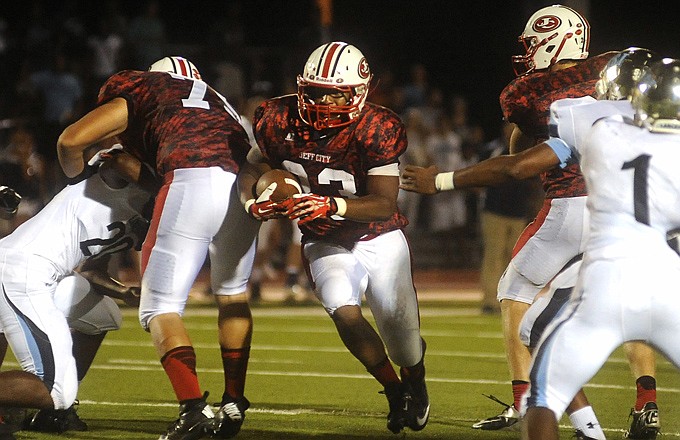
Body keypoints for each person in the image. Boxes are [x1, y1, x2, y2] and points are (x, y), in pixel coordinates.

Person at [402, 46, 662, 439]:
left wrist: (441, 181)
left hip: (579, 211)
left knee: (528, 313)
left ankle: (564, 418)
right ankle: (648, 402)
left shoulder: (583, 117)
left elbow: (517, 165)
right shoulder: (660, 122)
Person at [56, 56, 261, 440]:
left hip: (189, 181)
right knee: (233, 295)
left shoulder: (148, 87)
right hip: (241, 187)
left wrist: (76, 182)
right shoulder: (220, 101)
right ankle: (233, 401)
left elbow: (70, 140)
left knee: (160, 307)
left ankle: (192, 409)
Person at [238, 41, 429, 434]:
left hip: (377, 234)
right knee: (342, 308)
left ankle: (415, 377)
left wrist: (331, 205)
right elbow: (251, 168)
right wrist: (251, 201)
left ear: (359, 92)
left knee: (403, 340)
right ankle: (394, 392)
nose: (323, 100)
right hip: (324, 237)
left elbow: (382, 203)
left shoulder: (377, 126)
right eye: (316, 90)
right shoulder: (277, 117)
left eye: (334, 93)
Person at [522, 57, 680, 440]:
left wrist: (444, 180)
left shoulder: (600, 130)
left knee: (540, 389)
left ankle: (589, 430)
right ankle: (643, 402)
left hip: (608, 274)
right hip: (669, 276)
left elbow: (525, 151)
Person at [0, 148, 154, 440]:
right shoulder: (123, 174)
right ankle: (50, 404)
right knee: (55, 388)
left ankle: (52, 414)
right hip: (25, 269)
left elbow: (90, 271)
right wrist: (167, 190)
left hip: (32, 271)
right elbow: (118, 161)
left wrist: (125, 292)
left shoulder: (142, 219)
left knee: (103, 315)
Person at [478, 121, 541, 314]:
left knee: (514, 259)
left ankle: (509, 297)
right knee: (494, 256)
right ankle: (490, 301)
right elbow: (481, 174)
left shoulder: (528, 150)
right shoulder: (494, 149)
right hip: (495, 210)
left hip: (518, 211)